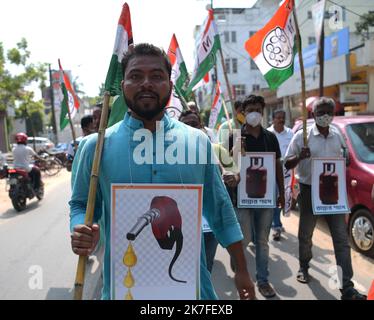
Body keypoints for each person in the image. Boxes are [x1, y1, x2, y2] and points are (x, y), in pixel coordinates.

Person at [70, 43, 256, 300]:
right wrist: (81, 228)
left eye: (156, 76)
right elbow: (80, 204)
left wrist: (242, 270)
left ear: (169, 85)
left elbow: (221, 211)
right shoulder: (95, 147)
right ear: (122, 85)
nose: (146, 83)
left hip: (193, 293)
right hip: (124, 289)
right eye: (135, 76)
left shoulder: (197, 142)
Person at [284, 96, 366, 300]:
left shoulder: (338, 134)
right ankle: (304, 266)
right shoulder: (302, 136)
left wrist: (345, 159)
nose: (325, 116)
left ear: (334, 113)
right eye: (321, 113)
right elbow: (287, 163)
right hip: (309, 191)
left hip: (333, 193)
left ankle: (347, 286)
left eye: (329, 112)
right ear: (313, 114)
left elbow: (346, 158)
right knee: (306, 234)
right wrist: (300, 157)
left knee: (341, 239)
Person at [231, 95, 285, 299]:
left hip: (265, 199)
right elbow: (227, 168)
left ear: (262, 112)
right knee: (243, 240)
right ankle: (241, 275)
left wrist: (281, 192)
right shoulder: (235, 137)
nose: (254, 113)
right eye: (250, 109)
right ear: (243, 113)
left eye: (257, 109)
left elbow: (277, 165)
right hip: (242, 200)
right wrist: (237, 149)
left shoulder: (270, 138)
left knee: (262, 241)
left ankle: (263, 280)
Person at [267, 109, 294, 241]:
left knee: (285, 199)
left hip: (287, 173)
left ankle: (277, 222)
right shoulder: (267, 134)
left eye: (282, 117)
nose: (280, 120)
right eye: (277, 118)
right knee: (275, 199)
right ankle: (276, 226)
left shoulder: (290, 133)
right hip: (271, 173)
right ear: (273, 119)